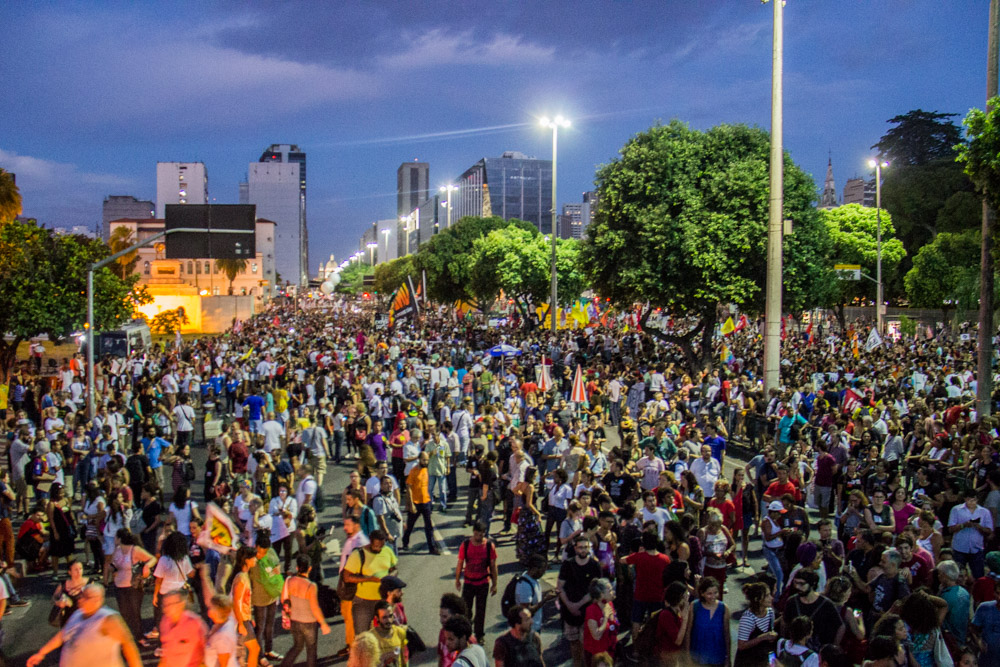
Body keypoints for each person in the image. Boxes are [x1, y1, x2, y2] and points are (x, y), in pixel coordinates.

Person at [27, 583, 142, 667]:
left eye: (85, 597)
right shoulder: (78, 613)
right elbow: (62, 635)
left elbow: (129, 645)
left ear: (98, 600)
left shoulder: (109, 619)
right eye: (82, 595)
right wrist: (41, 653)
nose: (80, 599)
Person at [344, 530, 397, 641]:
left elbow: (394, 569)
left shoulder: (387, 551)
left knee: (384, 635)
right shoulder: (358, 555)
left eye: (381, 546)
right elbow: (347, 577)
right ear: (370, 542)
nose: (379, 549)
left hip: (383, 601)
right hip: (363, 602)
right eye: (376, 546)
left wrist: (388, 577)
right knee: (362, 637)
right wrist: (370, 579)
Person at [105, 528, 157, 642]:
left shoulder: (135, 550)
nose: (114, 539)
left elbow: (152, 558)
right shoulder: (117, 550)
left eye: (115, 537)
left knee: (134, 613)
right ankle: (128, 638)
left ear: (119, 539)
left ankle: (139, 636)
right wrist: (112, 569)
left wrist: (146, 567)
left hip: (133, 586)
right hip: (119, 586)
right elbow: (113, 564)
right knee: (124, 613)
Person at [280, 554, 331, 667]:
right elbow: (314, 607)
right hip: (309, 623)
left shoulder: (289, 581)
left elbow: (284, 599)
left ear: (297, 567)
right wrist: (323, 623)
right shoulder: (311, 586)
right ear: (309, 568)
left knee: (297, 646)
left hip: (294, 620)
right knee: (311, 650)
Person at [559, 534, 602, 667]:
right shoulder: (568, 564)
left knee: (587, 643)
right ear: (575, 548)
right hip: (569, 611)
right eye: (580, 547)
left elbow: (596, 590)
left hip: (588, 611)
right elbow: (560, 587)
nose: (583, 550)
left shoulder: (594, 565)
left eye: (586, 547)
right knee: (573, 642)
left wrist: (578, 605)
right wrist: (570, 606)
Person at [454, 521, 498, 641]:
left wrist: (495, 584)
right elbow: (460, 563)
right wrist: (457, 580)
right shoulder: (466, 544)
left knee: (481, 611)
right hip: (468, 582)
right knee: (466, 611)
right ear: (473, 532)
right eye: (477, 534)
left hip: (483, 583)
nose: (479, 537)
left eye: (482, 535)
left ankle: (479, 635)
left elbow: (493, 566)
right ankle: (467, 633)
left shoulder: (489, 546)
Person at [622, 531, 671, 636]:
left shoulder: (639, 557)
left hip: (640, 594)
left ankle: (635, 649)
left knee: (636, 621)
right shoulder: (665, 559)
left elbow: (623, 560)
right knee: (655, 622)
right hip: (658, 595)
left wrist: (637, 553)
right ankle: (652, 647)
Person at [781, 570, 843, 649]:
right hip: (795, 648)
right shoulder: (792, 602)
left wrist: (834, 647)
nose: (797, 587)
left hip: (818, 649)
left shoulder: (826, 604)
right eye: (795, 583)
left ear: (812, 584)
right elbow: (784, 622)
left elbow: (840, 626)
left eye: (802, 584)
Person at [226, 545, 261, 667]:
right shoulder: (241, 578)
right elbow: (236, 602)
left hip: (244, 618)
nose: (256, 560)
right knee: (252, 650)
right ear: (247, 560)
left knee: (249, 650)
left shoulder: (244, 575)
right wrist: (241, 624)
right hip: (240, 619)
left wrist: (250, 618)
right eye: (254, 558)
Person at [949, 486, 994, 578]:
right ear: (965, 499)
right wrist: (963, 525)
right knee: (958, 575)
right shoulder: (956, 510)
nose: (972, 502)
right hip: (959, 548)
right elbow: (951, 529)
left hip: (976, 549)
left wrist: (978, 526)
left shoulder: (984, 512)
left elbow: (989, 530)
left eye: (974, 500)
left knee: (978, 576)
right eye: (969, 500)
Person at [685, 576, 730, 667]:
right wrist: (687, 656)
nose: (713, 597)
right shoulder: (695, 606)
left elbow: (726, 634)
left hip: (718, 658)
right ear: (702, 593)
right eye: (709, 593)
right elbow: (688, 632)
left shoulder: (723, 608)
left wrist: (728, 658)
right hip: (698, 658)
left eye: (715, 593)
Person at [157, 588, 208, 667]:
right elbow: (166, 654)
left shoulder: (194, 623)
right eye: (164, 605)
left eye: (170, 604)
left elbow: (208, 651)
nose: (166, 608)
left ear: (181, 604)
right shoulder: (164, 622)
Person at [402, 452, 440, 554]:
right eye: (424, 460)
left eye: (427, 460)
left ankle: (432, 548)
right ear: (419, 459)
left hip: (426, 501)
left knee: (429, 526)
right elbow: (408, 487)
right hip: (416, 502)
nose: (426, 462)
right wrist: (411, 504)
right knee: (410, 525)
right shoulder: (414, 471)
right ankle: (405, 541)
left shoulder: (427, 470)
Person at [734, 581, 777, 666]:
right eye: (767, 595)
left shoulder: (770, 612)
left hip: (762, 660)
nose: (771, 598)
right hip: (747, 661)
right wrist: (762, 637)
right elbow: (741, 645)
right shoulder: (748, 618)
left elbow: (770, 629)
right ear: (757, 599)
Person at [654, 581, 691, 666]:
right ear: (679, 597)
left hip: (674, 656)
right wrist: (685, 619)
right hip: (666, 657)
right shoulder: (666, 615)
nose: (687, 598)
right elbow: (678, 641)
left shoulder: (678, 611)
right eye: (685, 596)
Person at [583, 578, 619, 665]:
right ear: (602, 594)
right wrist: (606, 617)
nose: (613, 592)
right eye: (610, 590)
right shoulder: (591, 610)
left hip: (610, 651)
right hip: (598, 657)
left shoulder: (609, 604)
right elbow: (596, 636)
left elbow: (614, 625)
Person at [364, 600, 408, 667]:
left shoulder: (400, 632)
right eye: (384, 617)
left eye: (390, 616)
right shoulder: (370, 638)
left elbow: (403, 657)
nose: (389, 620)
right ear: (377, 618)